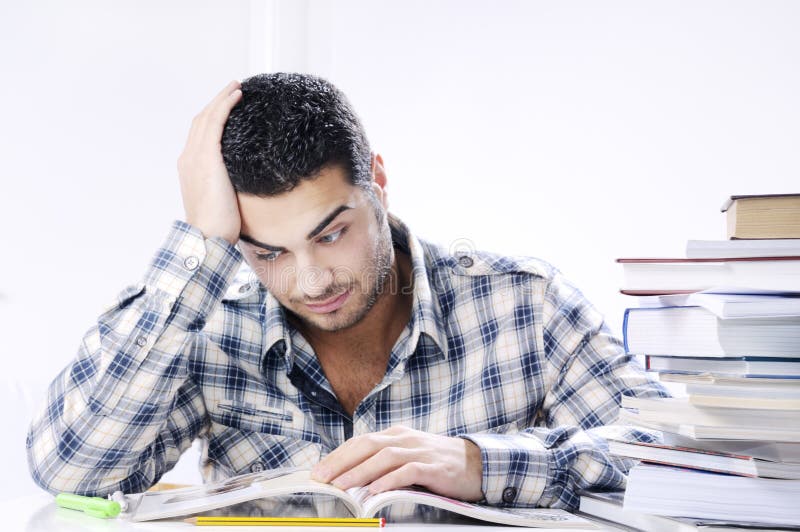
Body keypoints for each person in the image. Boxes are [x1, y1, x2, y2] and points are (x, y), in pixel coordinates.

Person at [27, 73, 667, 510]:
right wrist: (200, 246)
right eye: (267, 252)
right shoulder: (212, 333)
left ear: (378, 182)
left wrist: (480, 465)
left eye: (331, 234)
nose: (310, 281)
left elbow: (676, 462)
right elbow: (71, 472)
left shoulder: (525, 307)